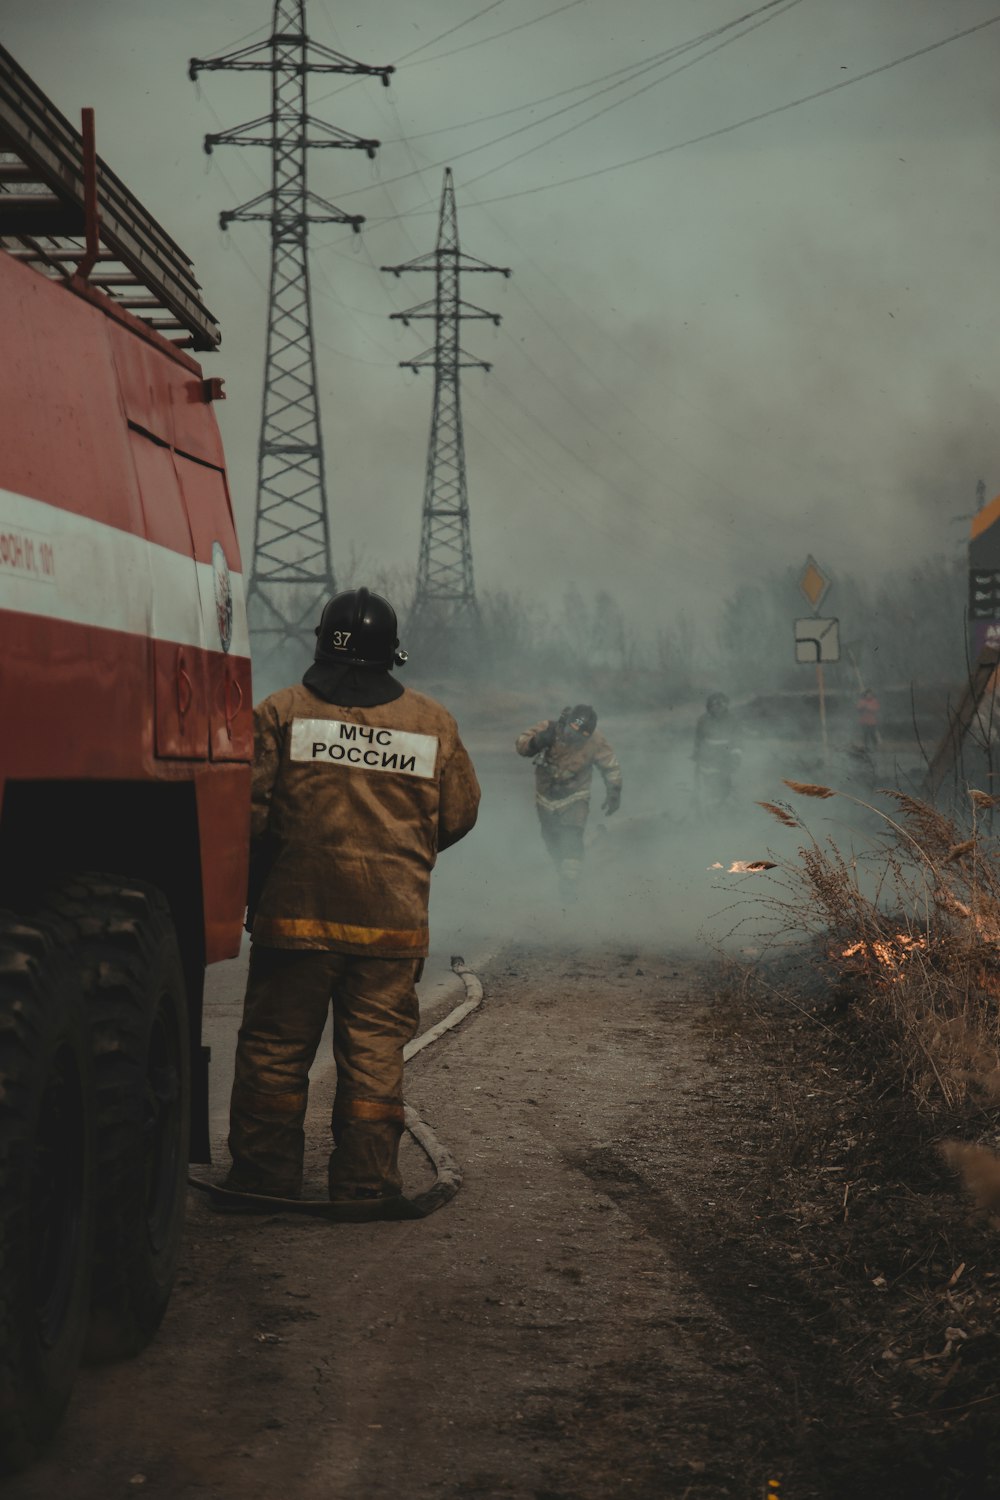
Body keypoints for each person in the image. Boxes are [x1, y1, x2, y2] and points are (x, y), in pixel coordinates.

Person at [227, 588, 480, 1207]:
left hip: (294, 919)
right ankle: (367, 1186)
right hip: (390, 926)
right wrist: (401, 856)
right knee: (372, 1059)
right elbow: (459, 812)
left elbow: (248, 813)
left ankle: (264, 1178)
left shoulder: (281, 712)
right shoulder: (432, 722)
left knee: (275, 1052)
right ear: (391, 653)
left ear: (320, 645)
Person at [515, 704, 622, 900]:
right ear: (565, 722)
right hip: (545, 796)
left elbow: (610, 765)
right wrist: (537, 741)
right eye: (571, 731)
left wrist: (614, 791)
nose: (574, 737)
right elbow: (520, 744)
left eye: (581, 736)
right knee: (551, 840)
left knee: (572, 837)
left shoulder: (596, 740)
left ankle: (570, 886)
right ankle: (563, 872)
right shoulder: (548, 727)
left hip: (576, 796)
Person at [693, 692, 742, 813]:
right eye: (714, 705)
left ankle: (722, 808)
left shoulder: (732, 719)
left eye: (721, 704)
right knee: (706, 782)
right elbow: (698, 739)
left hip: (725, 756)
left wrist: (736, 756)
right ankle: (707, 810)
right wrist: (697, 754)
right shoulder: (703, 719)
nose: (717, 707)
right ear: (709, 706)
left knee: (724, 783)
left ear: (726, 705)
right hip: (707, 755)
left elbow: (737, 739)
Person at [856, 687, 881, 752]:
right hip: (863, 721)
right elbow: (858, 709)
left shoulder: (874, 701)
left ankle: (876, 747)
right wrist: (862, 707)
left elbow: (876, 709)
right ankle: (865, 747)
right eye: (868, 694)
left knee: (873, 734)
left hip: (872, 722)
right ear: (865, 694)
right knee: (865, 735)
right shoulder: (861, 701)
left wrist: (868, 707)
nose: (869, 695)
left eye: (870, 694)